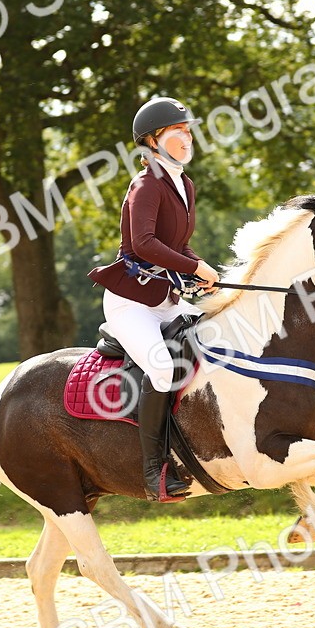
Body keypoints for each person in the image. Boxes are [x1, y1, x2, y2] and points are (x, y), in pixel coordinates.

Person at [87, 96, 221, 502]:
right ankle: (153, 472)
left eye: (188, 130)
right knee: (163, 370)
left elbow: (178, 244)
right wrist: (194, 269)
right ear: (151, 141)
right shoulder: (144, 186)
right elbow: (144, 244)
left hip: (166, 298)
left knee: (220, 336)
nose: (187, 136)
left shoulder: (185, 184)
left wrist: (205, 270)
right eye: (177, 131)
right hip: (131, 302)